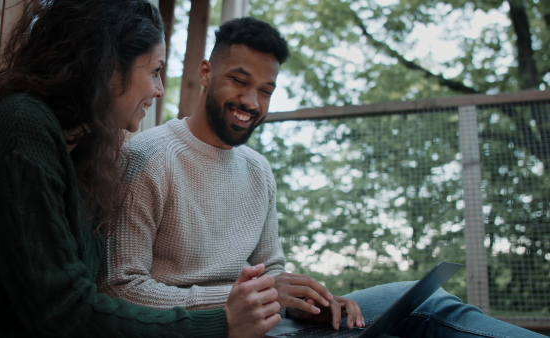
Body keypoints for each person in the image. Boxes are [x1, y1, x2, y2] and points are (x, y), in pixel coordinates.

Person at [97, 16, 547, 338]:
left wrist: (309, 302)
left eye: (266, 90)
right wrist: (236, 305)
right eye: (239, 81)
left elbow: (271, 271)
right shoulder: (148, 156)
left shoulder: (258, 170)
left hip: (275, 323)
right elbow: (121, 287)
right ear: (205, 72)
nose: (252, 102)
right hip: (210, 330)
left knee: (423, 300)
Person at [0, 1, 281, 337]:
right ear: (107, 67)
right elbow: (66, 312)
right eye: (154, 71)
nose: (159, 89)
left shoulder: (85, 151)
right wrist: (221, 322)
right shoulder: (20, 127)